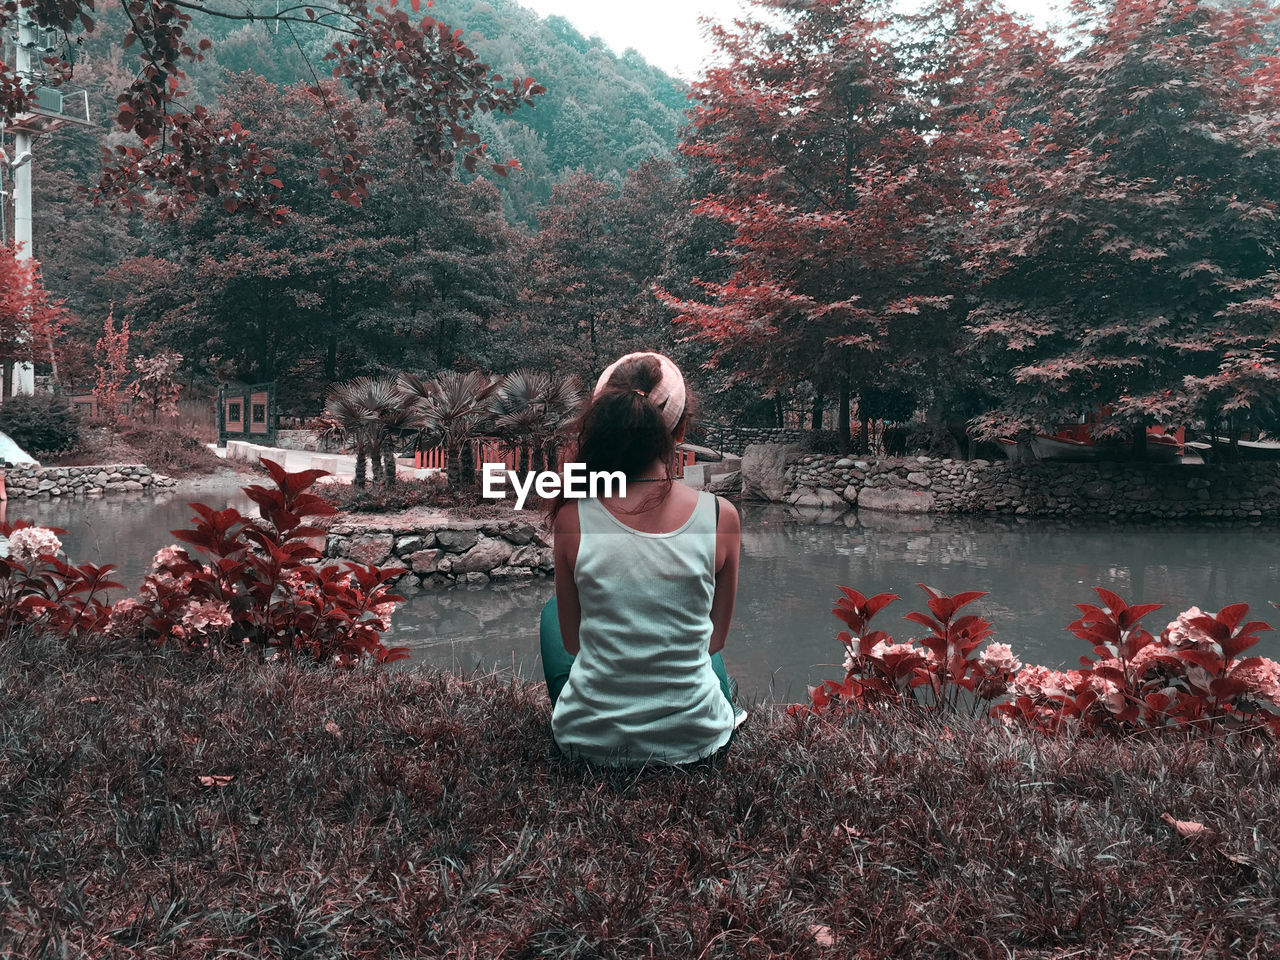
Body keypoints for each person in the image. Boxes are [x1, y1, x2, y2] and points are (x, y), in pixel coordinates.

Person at [540, 351, 745, 766]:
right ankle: (702, 708)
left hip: (588, 742)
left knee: (551, 615)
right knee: (699, 632)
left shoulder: (573, 515)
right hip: (697, 741)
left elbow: (573, 642)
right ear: (682, 427)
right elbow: (715, 640)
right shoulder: (722, 515)